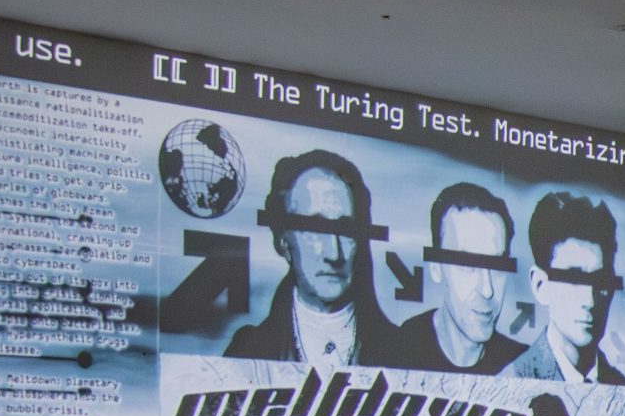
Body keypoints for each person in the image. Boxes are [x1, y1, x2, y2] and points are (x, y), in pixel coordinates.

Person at [225, 149, 396, 366]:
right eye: (315, 228)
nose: (334, 254)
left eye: (346, 230)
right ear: (283, 242)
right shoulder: (248, 351)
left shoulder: (401, 351)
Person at [378, 182, 530, 374]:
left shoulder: (522, 368)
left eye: (497, 265)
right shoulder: (394, 356)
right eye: (467, 264)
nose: (487, 290)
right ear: (436, 267)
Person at [508, 193, 625, 384]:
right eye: (574, 278)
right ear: (540, 285)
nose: (589, 301)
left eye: (601, 280)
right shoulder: (511, 381)